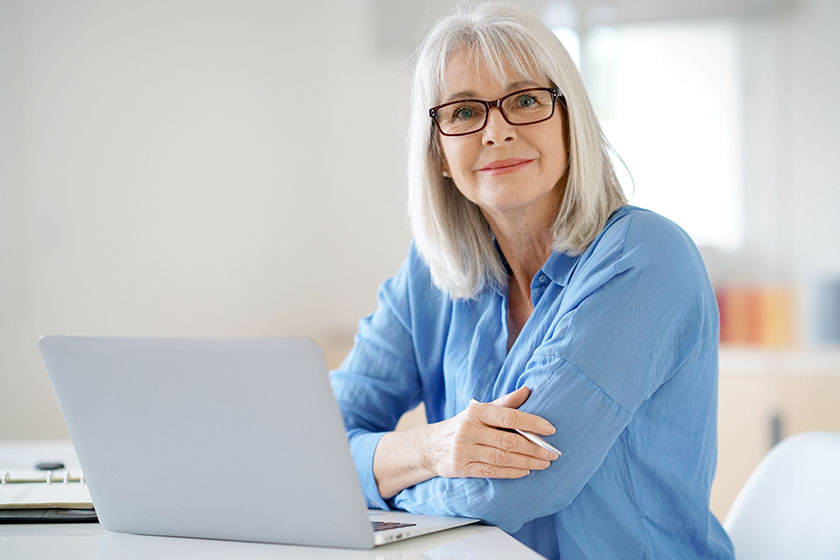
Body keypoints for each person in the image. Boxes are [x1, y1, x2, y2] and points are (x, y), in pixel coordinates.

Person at [329, 3, 734, 558]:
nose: (496, 131)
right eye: (465, 111)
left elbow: (516, 486)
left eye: (524, 101)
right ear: (440, 152)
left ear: (570, 120)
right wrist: (429, 449)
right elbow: (313, 445)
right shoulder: (430, 275)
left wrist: (375, 479)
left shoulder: (643, 259)